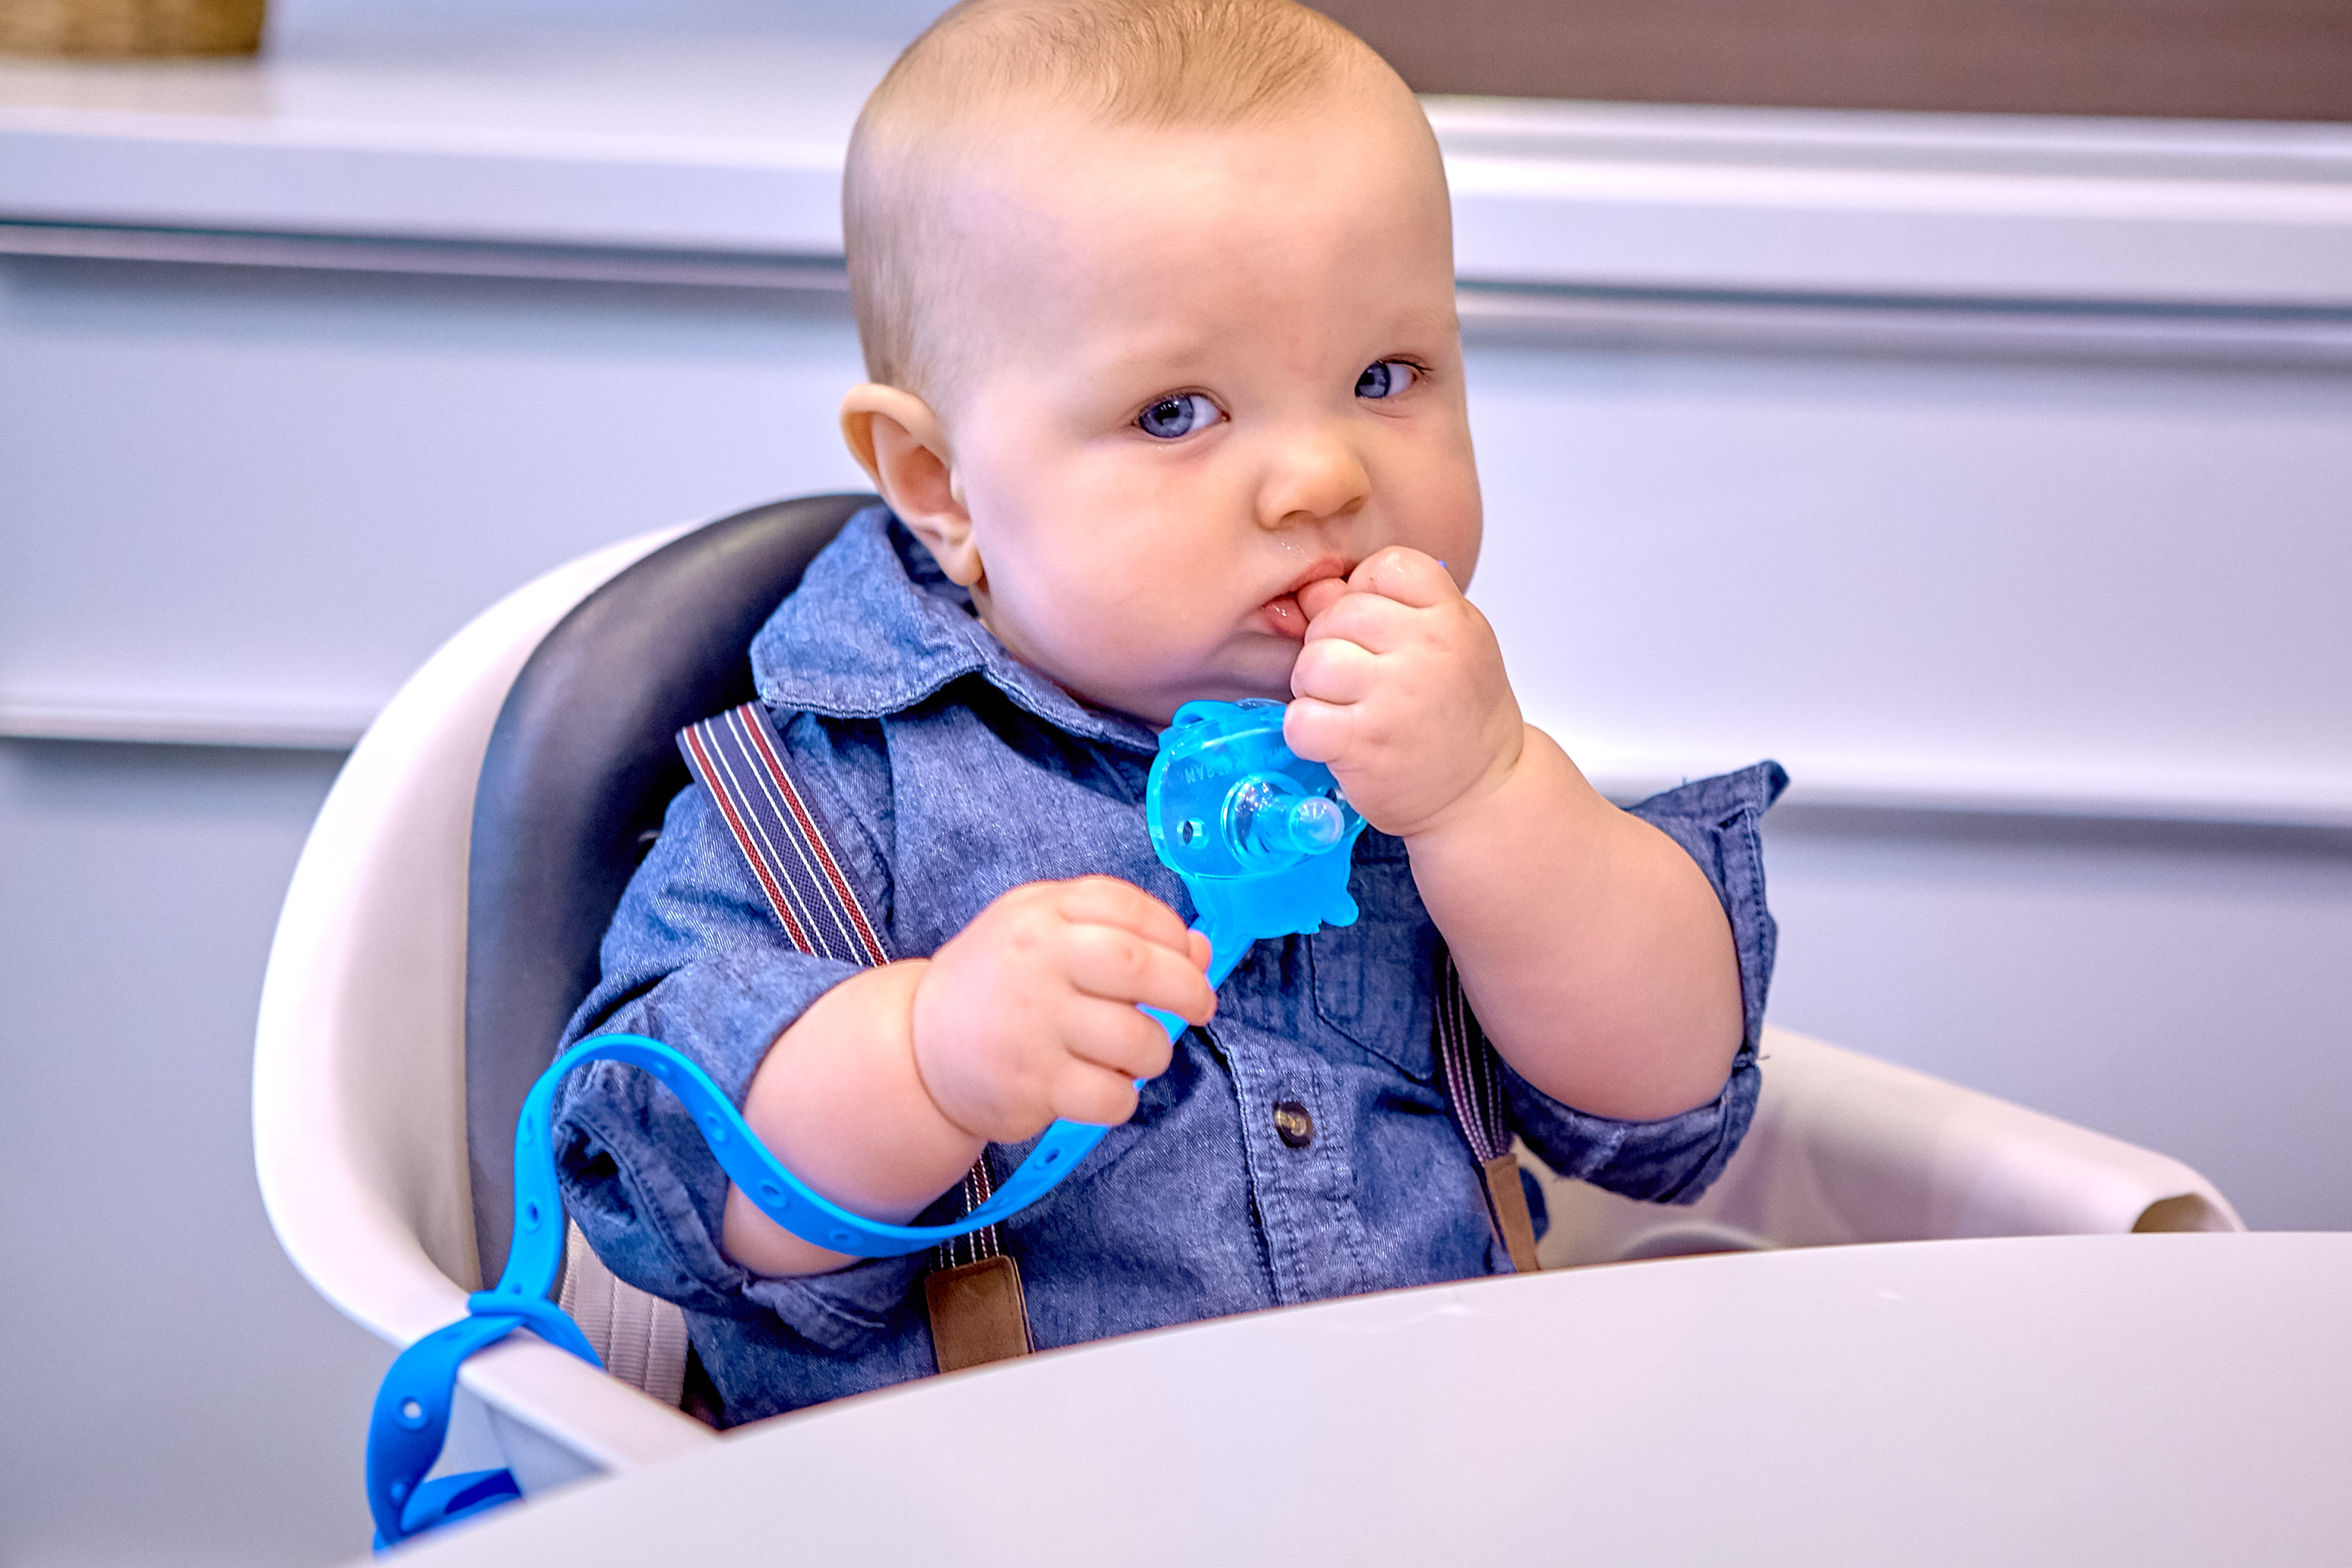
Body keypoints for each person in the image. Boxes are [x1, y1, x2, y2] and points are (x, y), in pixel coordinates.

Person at [553, 0, 1782, 1426]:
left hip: (1455, 1467)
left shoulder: (1435, 742)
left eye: (1384, 378)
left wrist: (1494, 801)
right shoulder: (828, 792)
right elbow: (668, 1184)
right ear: (943, 486)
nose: (1321, 476)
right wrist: (924, 1057)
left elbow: (1666, 1107)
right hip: (994, 1506)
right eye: (1176, 412)